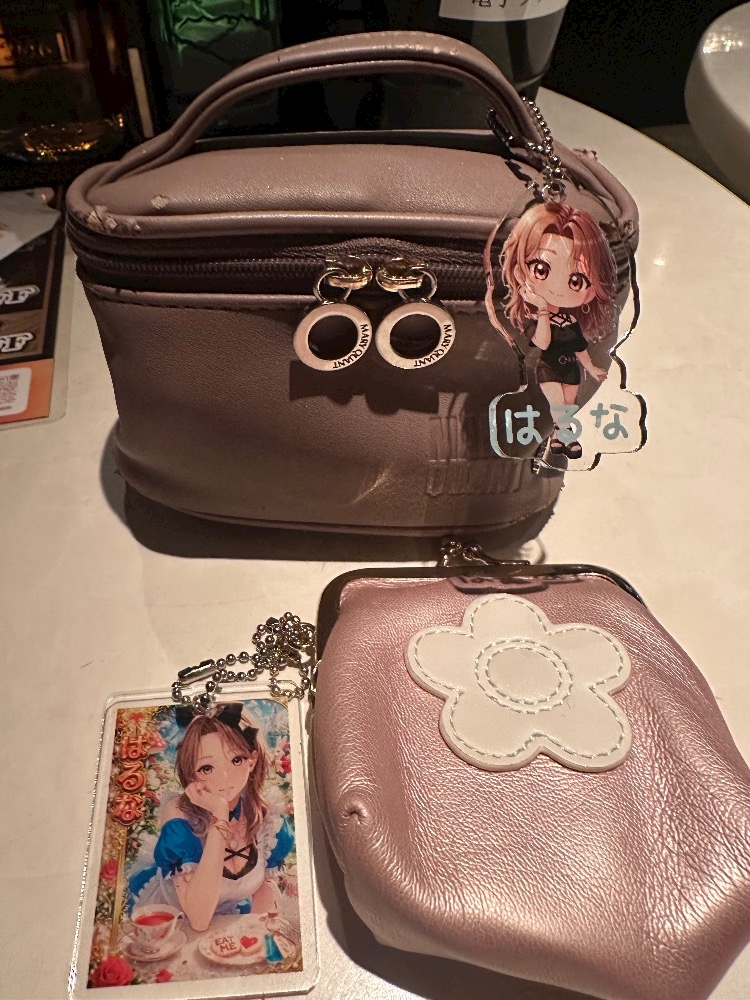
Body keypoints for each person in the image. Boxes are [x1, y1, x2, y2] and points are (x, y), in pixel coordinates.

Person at [129, 703, 294, 933]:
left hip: (224, 928)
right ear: (191, 774)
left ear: (252, 760)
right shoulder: (180, 817)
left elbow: (262, 894)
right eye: (207, 768)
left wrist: (258, 939)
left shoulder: (265, 818)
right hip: (173, 928)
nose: (224, 777)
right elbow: (198, 919)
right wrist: (219, 815)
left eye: (236, 760)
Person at [500, 201, 616, 459]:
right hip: (548, 368)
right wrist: (542, 308)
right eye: (541, 269)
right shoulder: (533, 317)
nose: (557, 288)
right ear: (519, 272)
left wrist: (592, 368)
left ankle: (556, 437)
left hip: (571, 369)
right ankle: (569, 438)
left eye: (576, 280)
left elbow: (581, 348)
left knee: (566, 409)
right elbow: (542, 343)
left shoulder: (571, 320)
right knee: (558, 407)